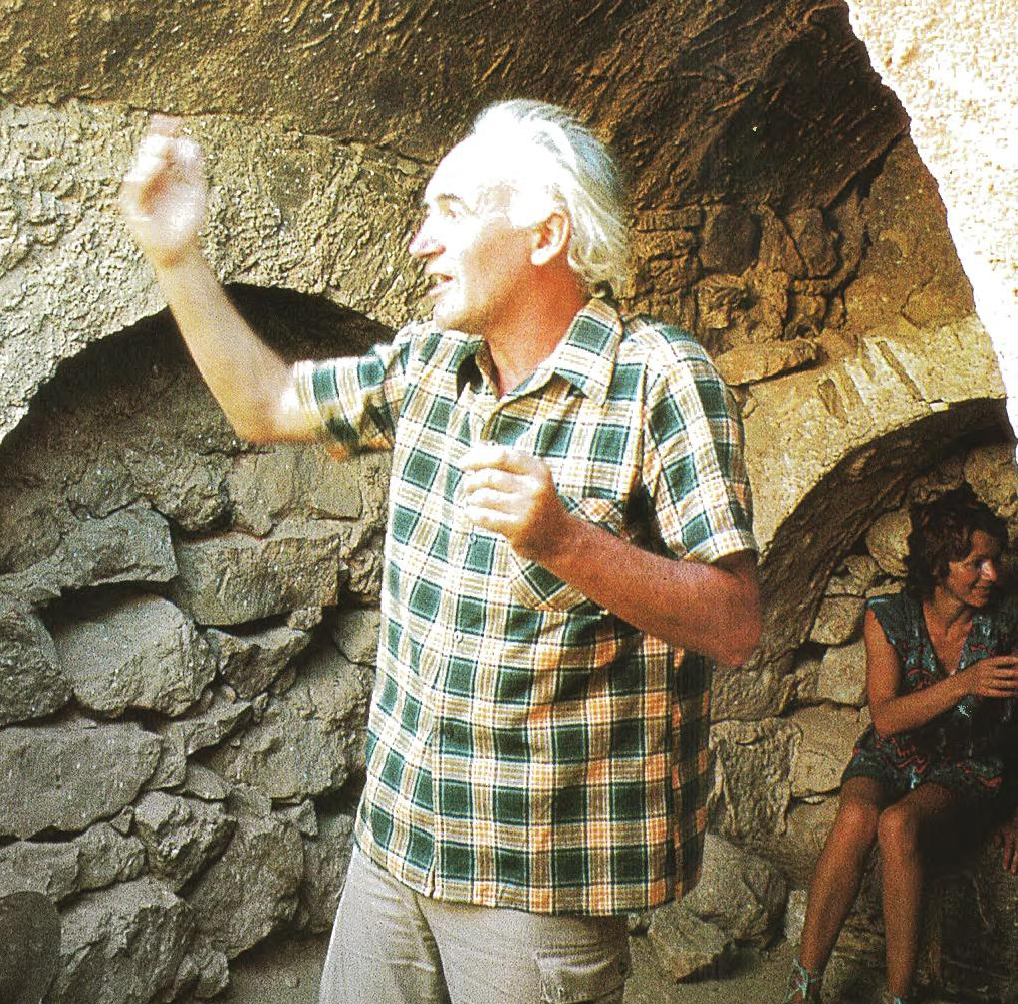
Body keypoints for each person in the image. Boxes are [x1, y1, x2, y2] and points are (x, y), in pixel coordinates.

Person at [120, 98, 761, 1004]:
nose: (420, 242)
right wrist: (176, 257)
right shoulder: (431, 366)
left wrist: (566, 542)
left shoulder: (658, 378)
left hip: (535, 887)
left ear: (545, 232)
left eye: (450, 211)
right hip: (396, 847)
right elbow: (263, 404)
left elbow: (735, 626)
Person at [784, 487, 1018, 1004]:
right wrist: (963, 683)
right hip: (893, 752)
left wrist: (1012, 807)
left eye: (995, 561)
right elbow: (886, 720)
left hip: (966, 764)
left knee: (898, 824)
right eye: (974, 562)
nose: (992, 575)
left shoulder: (1004, 623)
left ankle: (898, 997)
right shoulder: (888, 615)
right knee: (855, 818)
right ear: (939, 565)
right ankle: (804, 987)